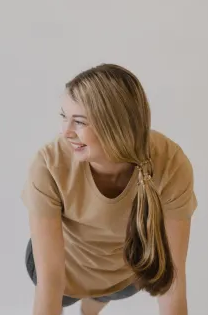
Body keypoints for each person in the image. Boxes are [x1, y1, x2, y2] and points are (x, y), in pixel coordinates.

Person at [21, 63, 197, 315]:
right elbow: (50, 282)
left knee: (104, 295)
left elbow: (172, 281)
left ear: (115, 126)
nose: (65, 132)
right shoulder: (48, 164)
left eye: (79, 122)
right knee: (64, 293)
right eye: (63, 117)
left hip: (123, 277)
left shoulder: (170, 163)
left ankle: (89, 309)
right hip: (64, 269)